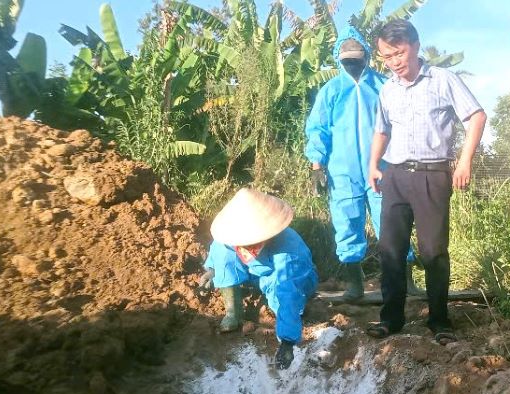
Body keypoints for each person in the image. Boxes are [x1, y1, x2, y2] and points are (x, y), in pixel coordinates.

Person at [366, 19, 487, 341]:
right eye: (387, 57)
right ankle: (391, 319)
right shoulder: (388, 88)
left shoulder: (443, 80)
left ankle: (439, 320)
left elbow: (476, 116)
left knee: (433, 251)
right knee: (390, 250)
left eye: (399, 53)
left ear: (415, 46)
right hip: (395, 175)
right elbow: (382, 129)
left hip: (432, 174)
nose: (394, 62)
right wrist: (373, 165)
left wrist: (464, 161)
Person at [304, 25, 421, 301]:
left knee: (393, 224)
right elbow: (318, 128)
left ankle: (406, 282)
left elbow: (401, 123)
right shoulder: (331, 90)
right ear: (339, 58)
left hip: (382, 168)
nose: (353, 63)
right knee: (347, 224)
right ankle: (354, 285)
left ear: (367, 56)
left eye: (358, 57)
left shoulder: (383, 85)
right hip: (342, 172)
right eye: (348, 59)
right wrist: (316, 166)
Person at [201, 188, 319, 370]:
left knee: (282, 303)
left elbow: (289, 292)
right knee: (224, 251)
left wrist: (287, 343)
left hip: (286, 279)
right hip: (255, 272)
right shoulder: (233, 239)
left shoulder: (289, 255)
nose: (246, 247)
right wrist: (212, 270)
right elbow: (221, 249)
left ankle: (291, 322)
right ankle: (233, 312)